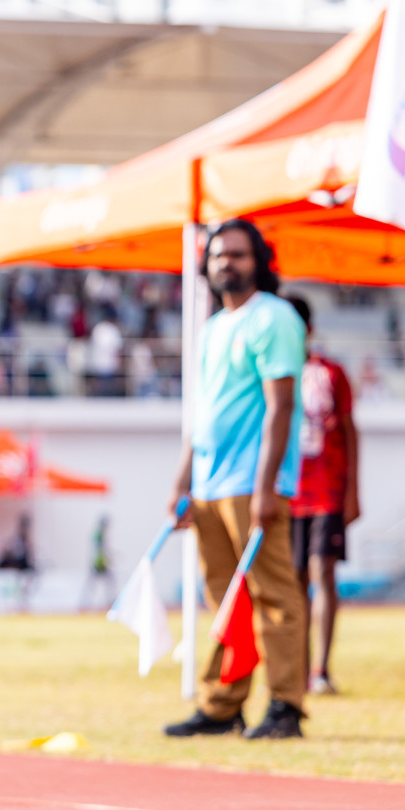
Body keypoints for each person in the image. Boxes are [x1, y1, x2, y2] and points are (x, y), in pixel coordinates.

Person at [164, 220, 307, 741]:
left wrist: (268, 487)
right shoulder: (214, 327)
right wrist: (182, 484)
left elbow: (280, 407)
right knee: (225, 599)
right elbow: (202, 416)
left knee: (273, 594)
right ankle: (223, 705)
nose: (227, 263)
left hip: (252, 483)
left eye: (239, 255)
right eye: (219, 255)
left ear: (260, 260)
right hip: (208, 484)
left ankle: (286, 705)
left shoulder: (275, 318)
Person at [285, 295, 361, 696]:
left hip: (326, 490)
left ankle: (320, 669)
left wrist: (353, 492)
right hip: (287, 493)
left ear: (309, 330)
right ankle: (294, 667)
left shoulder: (330, 373)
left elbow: (349, 431)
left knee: (322, 573)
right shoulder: (273, 375)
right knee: (292, 581)